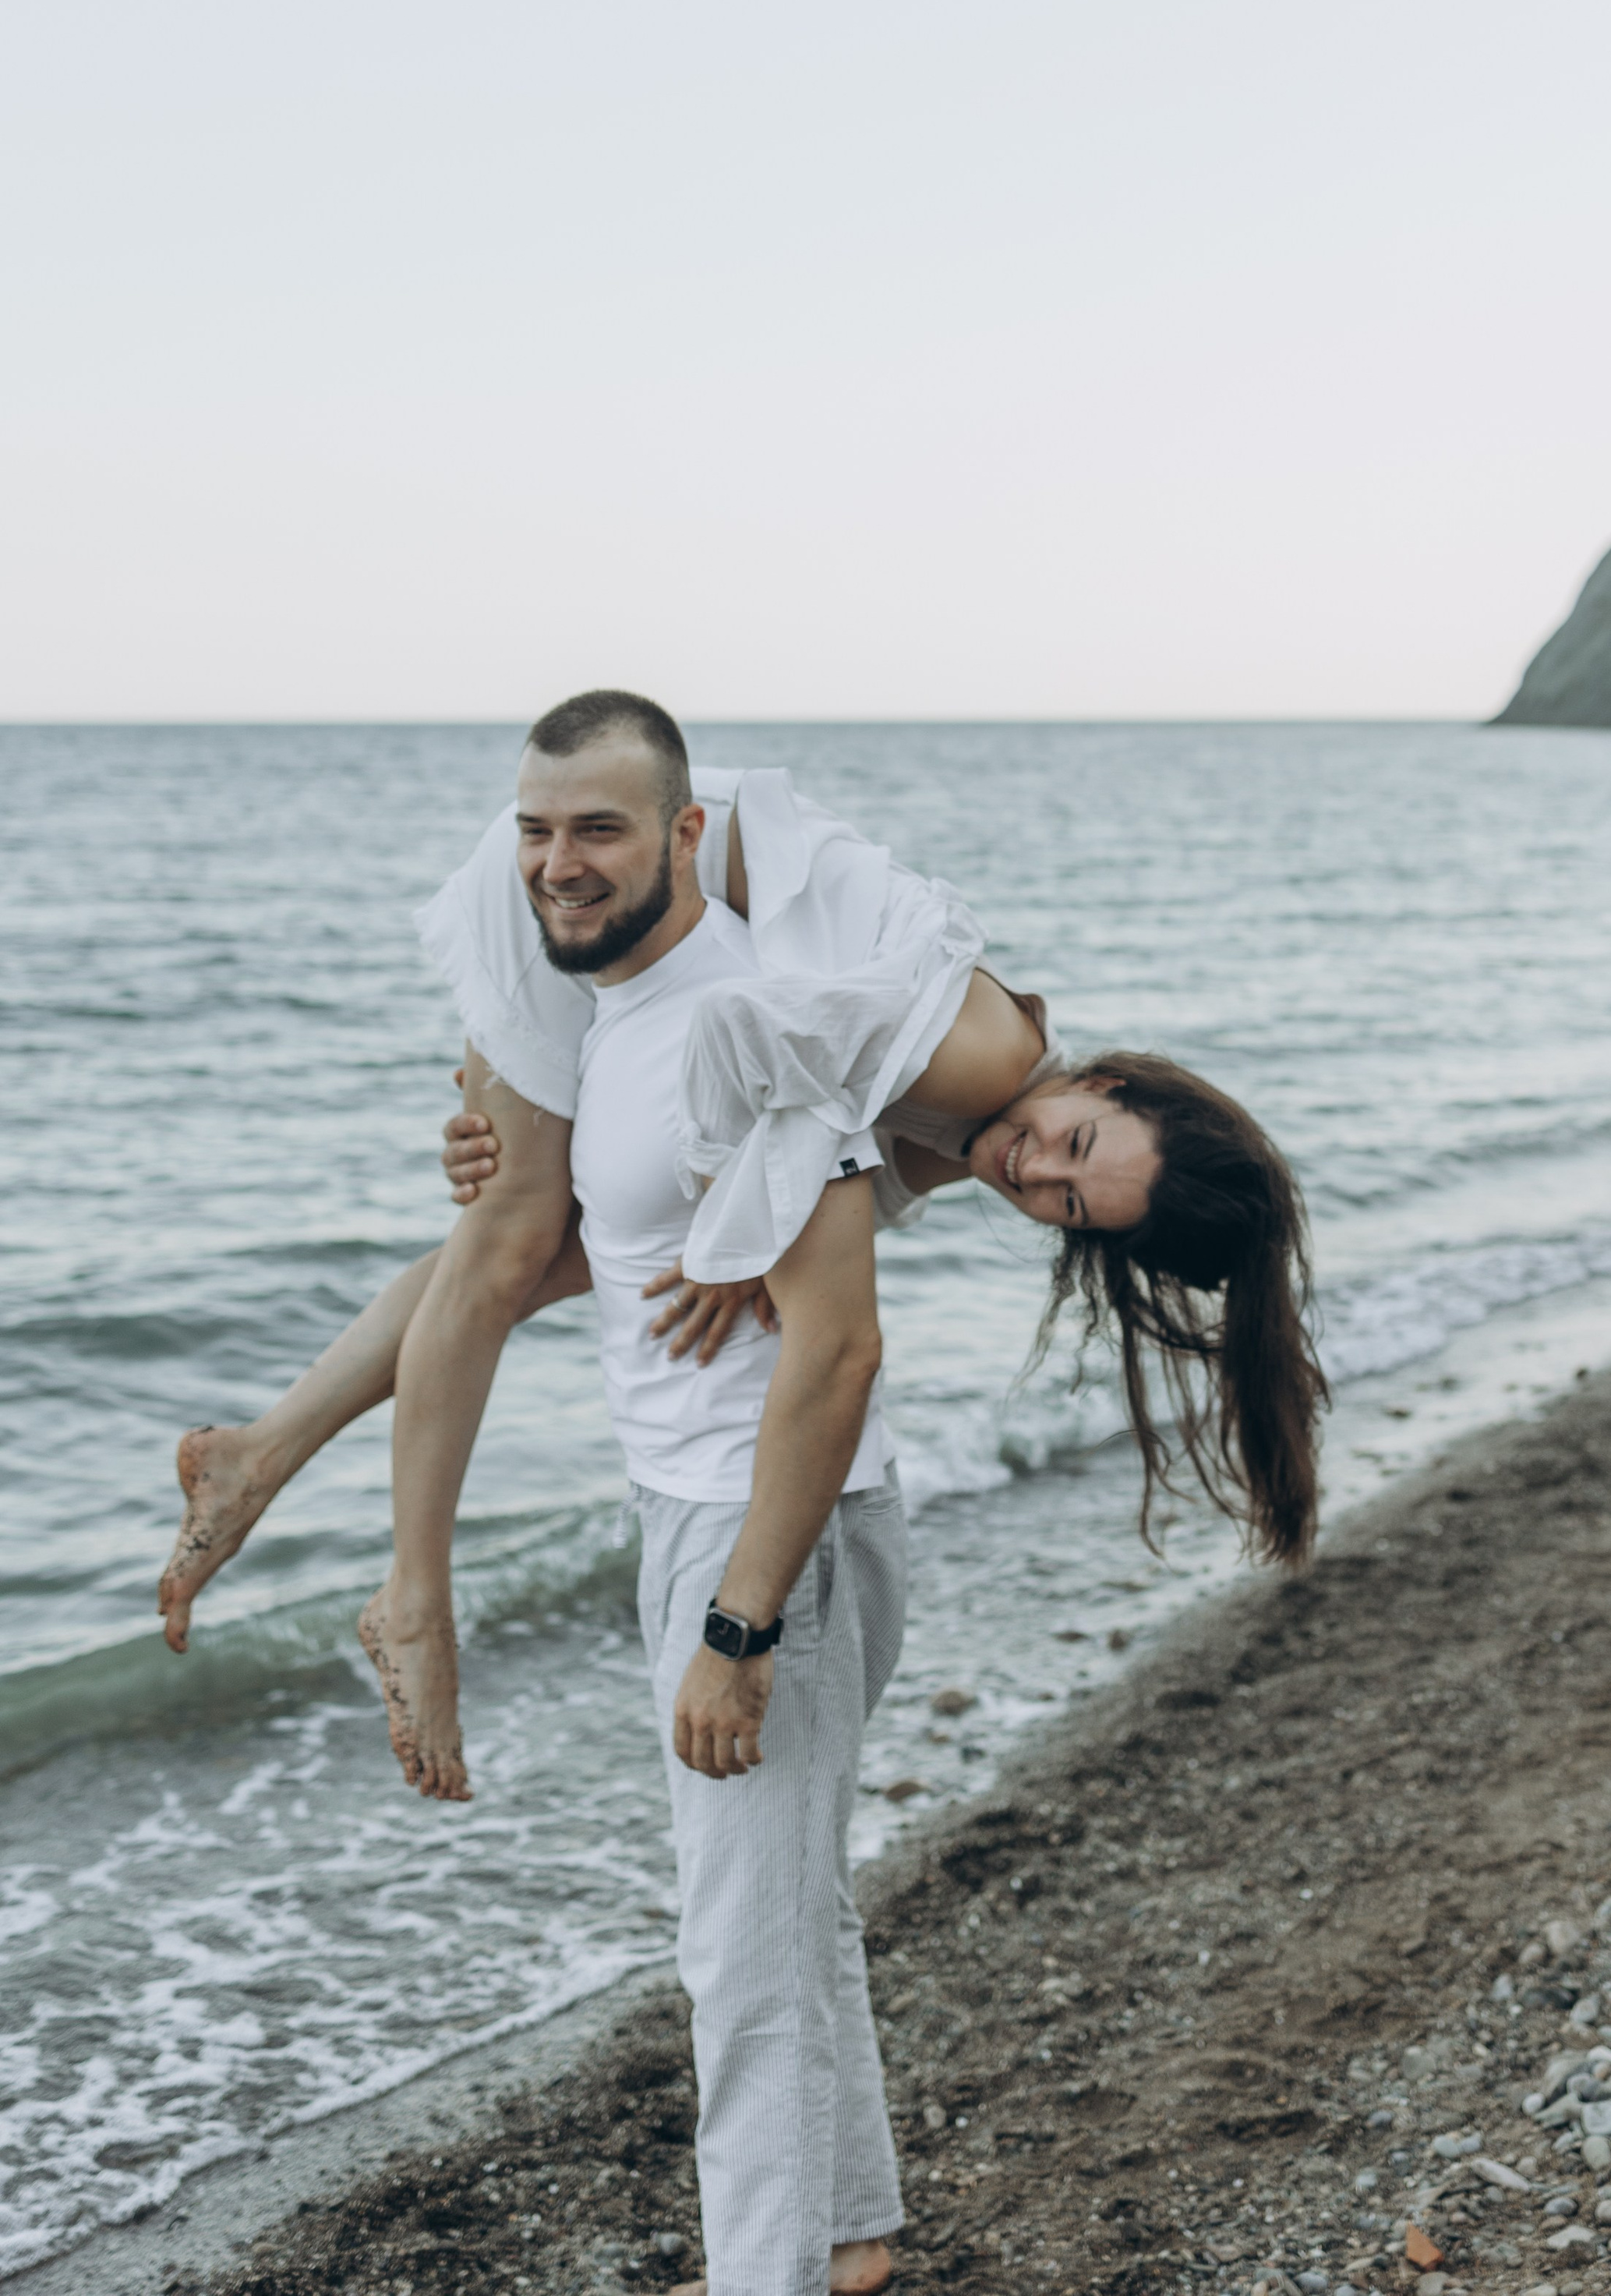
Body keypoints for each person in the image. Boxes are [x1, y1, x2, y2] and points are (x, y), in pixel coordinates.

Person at [160, 696, 1326, 1810]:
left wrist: (602, 1161)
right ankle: (413, 1596)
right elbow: (748, 1030)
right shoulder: (976, 1062)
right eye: (1077, 1143)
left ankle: (260, 1451)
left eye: (1068, 1207)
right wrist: (716, 1218)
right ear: (1108, 1083)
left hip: (639, 892)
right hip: (613, 847)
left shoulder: (966, 1143)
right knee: (510, 1238)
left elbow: (760, 1142)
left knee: (570, 1246)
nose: (1034, 1171)